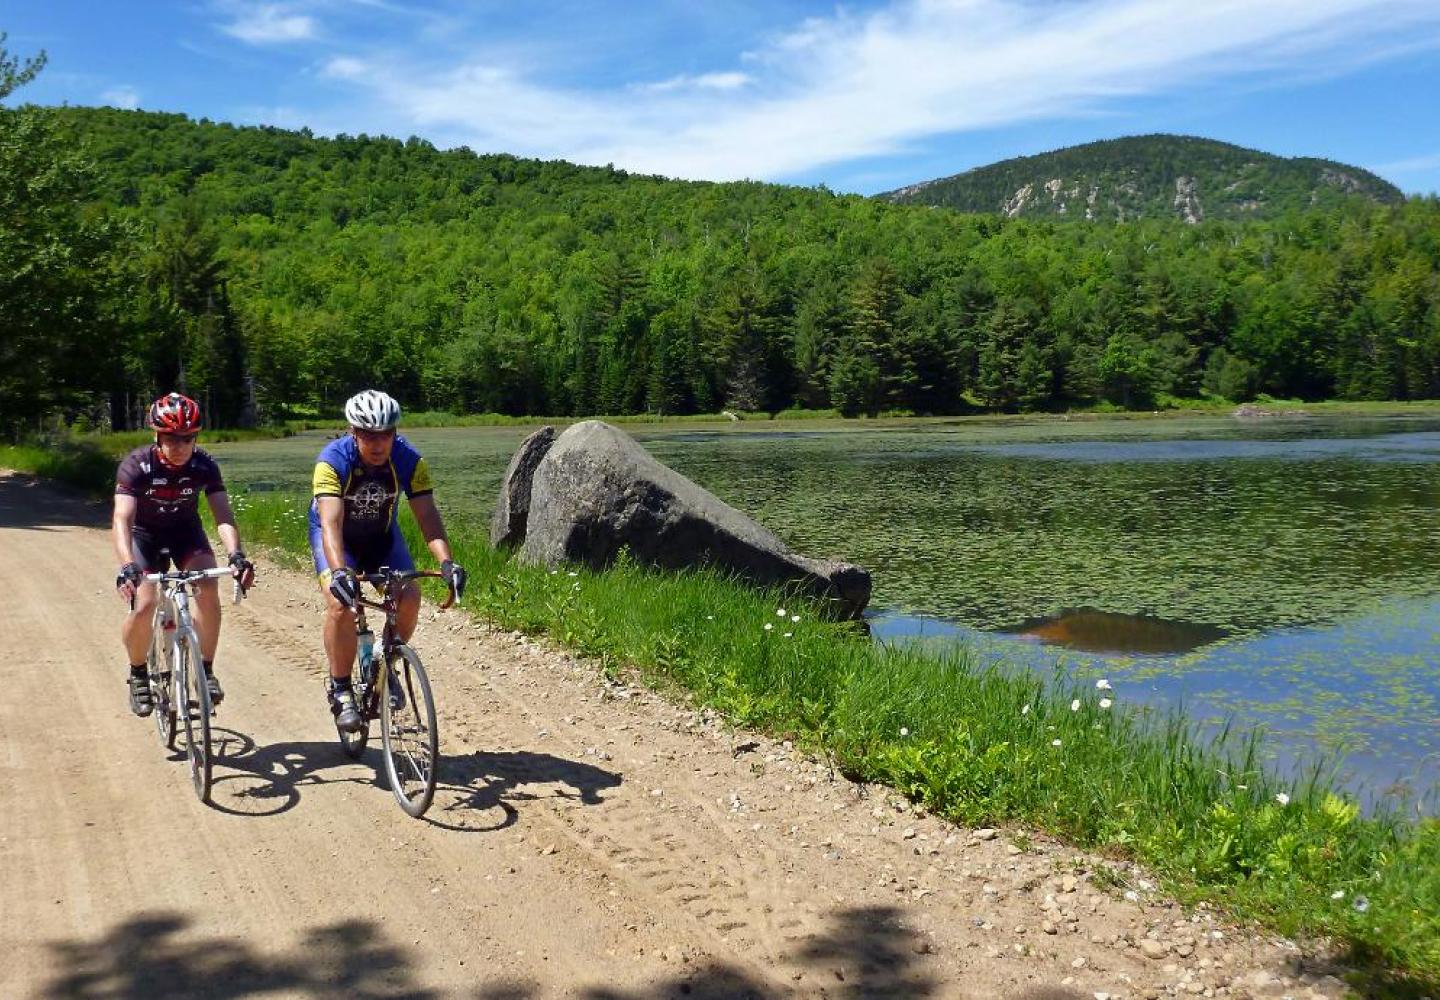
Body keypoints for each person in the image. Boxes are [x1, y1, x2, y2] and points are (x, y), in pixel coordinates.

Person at [309, 389, 466, 732]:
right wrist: (339, 571)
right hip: (337, 541)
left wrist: (447, 563)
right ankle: (341, 689)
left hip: (381, 538)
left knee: (409, 596)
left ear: (395, 431)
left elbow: (428, 517)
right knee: (341, 605)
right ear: (353, 432)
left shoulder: (410, 460)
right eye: (367, 435)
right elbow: (330, 525)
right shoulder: (332, 461)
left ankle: (385, 660)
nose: (377, 443)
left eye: (385, 434)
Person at [114, 392, 256, 716]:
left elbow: (222, 515)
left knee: (207, 589)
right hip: (144, 536)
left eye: (187, 438)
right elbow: (122, 518)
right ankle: (138, 672)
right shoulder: (137, 465)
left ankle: (205, 670)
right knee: (146, 602)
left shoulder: (204, 464)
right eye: (171, 439)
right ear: (157, 435)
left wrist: (236, 554)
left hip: (185, 532)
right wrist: (127, 565)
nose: (180, 446)